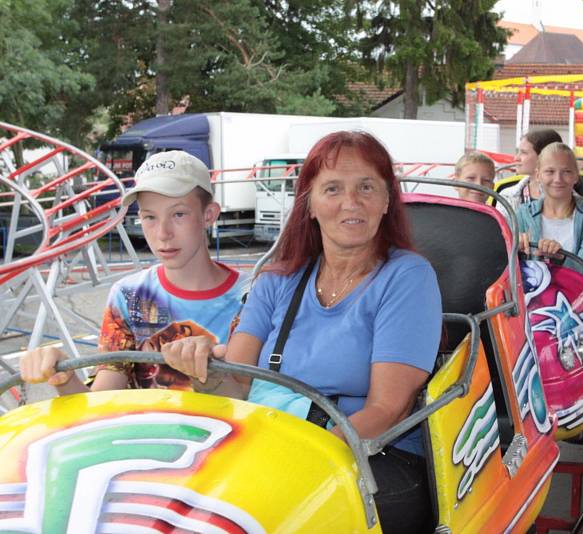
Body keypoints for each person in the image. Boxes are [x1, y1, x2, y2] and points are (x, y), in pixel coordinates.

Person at [160, 131, 442, 533]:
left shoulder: (408, 277)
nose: (351, 202)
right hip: (275, 443)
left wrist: (303, 460)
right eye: (332, 189)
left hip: (373, 455)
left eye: (366, 187)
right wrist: (198, 370)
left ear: (386, 201)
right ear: (309, 204)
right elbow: (237, 385)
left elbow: (387, 410)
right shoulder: (278, 280)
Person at [19, 150, 247, 393]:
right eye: (150, 217)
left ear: (208, 214)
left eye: (178, 214)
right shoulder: (130, 295)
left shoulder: (252, 297)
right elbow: (102, 405)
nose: (163, 233)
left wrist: (211, 371)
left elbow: (256, 397)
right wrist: (63, 378)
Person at [517, 143, 583, 275]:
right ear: (538, 175)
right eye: (550, 172)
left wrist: (561, 257)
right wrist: (514, 247)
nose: (558, 179)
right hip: (529, 293)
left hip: (576, 293)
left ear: (576, 176)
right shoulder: (522, 214)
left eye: (566, 172)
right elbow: (504, 263)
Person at [500, 128, 563, 212]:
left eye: (524, 152)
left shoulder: (573, 199)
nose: (516, 158)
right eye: (518, 152)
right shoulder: (507, 196)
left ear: (544, 157)